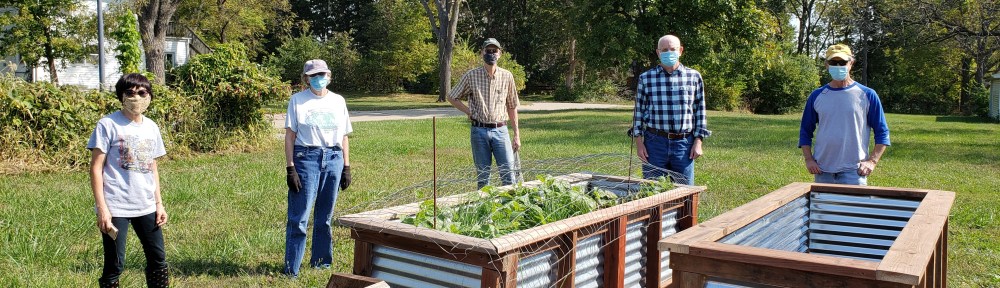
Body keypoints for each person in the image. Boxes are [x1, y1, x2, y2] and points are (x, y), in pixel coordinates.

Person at [87, 73, 170, 288]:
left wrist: (158, 204)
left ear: (149, 96)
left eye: (142, 93)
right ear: (121, 96)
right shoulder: (108, 124)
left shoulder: (151, 127)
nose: (136, 97)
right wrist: (102, 209)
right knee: (115, 265)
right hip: (116, 207)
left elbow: (152, 167)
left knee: (158, 258)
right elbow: (96, 168)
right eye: (130, 93)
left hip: (146, 206)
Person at [283, 59, 353, 277]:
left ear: (329, 76)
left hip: (333, 158)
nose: (318, 78)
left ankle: (321, 262)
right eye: (313, 75)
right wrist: (290, 168)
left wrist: (346, 166)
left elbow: (343, 136)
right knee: (300, 217)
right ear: (306, 78)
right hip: (306, 158)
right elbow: (290, 136)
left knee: (324, 217)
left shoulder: (338, 101)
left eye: (322, 74)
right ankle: (291, 269)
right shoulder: (298, 101)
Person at [799, 44, 890, 185]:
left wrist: (872, 162)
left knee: (853, 207)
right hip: (822, 171)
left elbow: (882, 132)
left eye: (842, 62)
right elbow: (805, 130)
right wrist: (809, 159)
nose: (838, 66)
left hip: (854, 172)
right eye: (833, 62)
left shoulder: (867, 95)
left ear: (851, 63)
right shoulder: (817, 96)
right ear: (826, 65)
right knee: (824, 208)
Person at [629, 35, 711, 185]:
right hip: (654, 144)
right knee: (652, 191)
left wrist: (698, 141)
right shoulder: (646, 78)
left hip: (684, 144)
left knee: (685, 192)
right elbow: (638, 113)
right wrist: (639, 144)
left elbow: (700, 111)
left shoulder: (694, 77)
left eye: (672, 49)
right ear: (658, 53)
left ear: (680, 50)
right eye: (664, 50)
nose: (669, 53)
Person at [447, 38, 522, 189]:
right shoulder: (471, 76)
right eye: (488, 51)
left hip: (501, 131)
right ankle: (485, 209)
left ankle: (510, 207)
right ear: (482, 53)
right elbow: (452, 96)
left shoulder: (507, 76)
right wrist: (468, 111)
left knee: (509, 175)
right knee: (483, 177)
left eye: (494, 51)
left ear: (500, 54)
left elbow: (512, 106)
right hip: (479, 131)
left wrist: (516, 135)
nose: (491, 54)